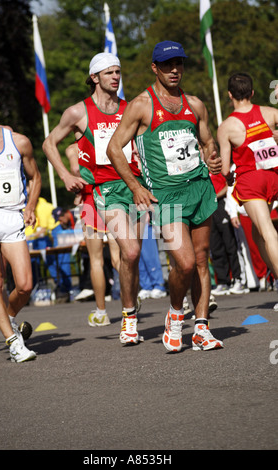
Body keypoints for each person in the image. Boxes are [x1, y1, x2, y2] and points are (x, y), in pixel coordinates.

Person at [107, 40, 223, 352]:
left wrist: (213, 158)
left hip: (199, 188)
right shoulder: (141, 105)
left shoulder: (195, 104)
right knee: (184, 263)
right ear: (155, 68)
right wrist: (135, 187)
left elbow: (208, 141)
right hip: (167, 196)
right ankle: (174, 314)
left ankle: (201, 327)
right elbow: (114, 148)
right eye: (168, 65)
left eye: (179, 64)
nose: (175, 70)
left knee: (201, 259)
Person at [42, 53, 146, 343]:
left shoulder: (131, 108)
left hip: (133, 187)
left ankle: (130, 305)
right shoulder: (79, 112)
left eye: (118, 71)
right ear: (94, 78)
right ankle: (121, 315)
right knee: (127, 252)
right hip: (103, 190)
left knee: (130, 255)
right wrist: (64, 175)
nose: (115, 76)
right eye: (109, 72)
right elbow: (49, 143)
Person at [0, 88, 41, 362]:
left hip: (13, 218)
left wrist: (30, 207)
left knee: (25, 285)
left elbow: (35, 177)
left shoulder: (19, 141)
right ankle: (14, 343)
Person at [217, 72, 278, 309]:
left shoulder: (226, 127)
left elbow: (223, 169)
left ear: (230, 95)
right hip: (273, 178)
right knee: (257, 235)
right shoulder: (270, 113)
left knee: (266, 231)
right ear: (252, 93)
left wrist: (227, 175)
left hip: (251, 181)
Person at [65, 143, 120, 325]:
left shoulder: (73, 149)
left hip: (91, 199)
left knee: (96, 260)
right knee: (118, 258)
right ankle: (131, 299)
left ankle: (101, 312)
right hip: (112, 195)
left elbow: (75, 170)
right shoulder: (104, 137)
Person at [209, 172, 249, 295]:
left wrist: (216, 196)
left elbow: (229, 185)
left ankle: (239, 280)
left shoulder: (218, 168)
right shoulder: (201, 169)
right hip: (209, 208)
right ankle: (223, 282)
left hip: (222, 204)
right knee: (215, 246)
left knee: (230, 245)